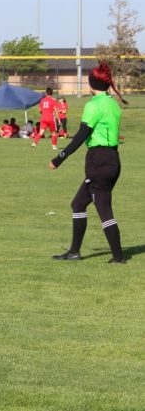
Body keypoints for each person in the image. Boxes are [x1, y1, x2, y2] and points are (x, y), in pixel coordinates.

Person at [49, 62, 127, 263]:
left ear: (91, 84)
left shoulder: (93, 105)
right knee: (78, 204)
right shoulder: (113, 104)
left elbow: (80, 136)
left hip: (98, 160)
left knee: (104, 208)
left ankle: (118, 257)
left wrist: (59, 158)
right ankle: (74, 252)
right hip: (112, 159)